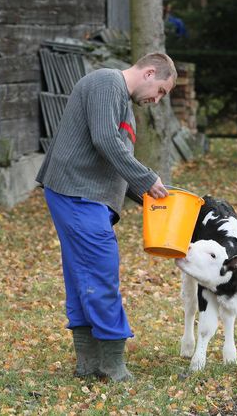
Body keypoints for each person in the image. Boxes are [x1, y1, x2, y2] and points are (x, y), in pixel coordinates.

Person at [37, 52, 178, 381]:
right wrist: (147, 180)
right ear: (149, 72)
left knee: (82, 276)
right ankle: (113, 366)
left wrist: (151, 197)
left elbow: (115, 162)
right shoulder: (106, 82)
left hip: (87, 196)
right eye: (161, 91)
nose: (157, 100)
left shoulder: (122, 101)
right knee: (100, 274)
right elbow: (104, 140)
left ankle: (88, 364)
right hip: (76, 193)